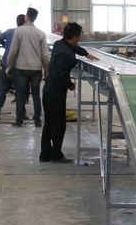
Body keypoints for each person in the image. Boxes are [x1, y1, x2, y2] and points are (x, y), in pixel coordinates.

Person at [40, 22, 98, 163]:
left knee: (49, 123)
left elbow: (74, 48)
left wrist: (86, 54)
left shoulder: (59, 44)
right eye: (78, 37)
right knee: (59, 125)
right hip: (56, 94)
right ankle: (56, 155)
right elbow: (59, 75)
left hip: (48, 90)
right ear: (74, 37)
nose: (79, 39)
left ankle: (45, 155)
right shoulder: (66, 55)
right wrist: (70, 84)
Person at [5, 7, 50, 127]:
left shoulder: (19, 31)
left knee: (20, 95)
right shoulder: (41, 33)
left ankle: (19, 120)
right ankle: (37, 121)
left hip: (21, 68)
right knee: (36, 96)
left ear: (26, 17)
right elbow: (45, 54)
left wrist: (9, 66)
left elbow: (13, 50)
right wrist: (46, 70)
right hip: (36, 70)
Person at [0, 14, 24, 121]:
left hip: (7, 64)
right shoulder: (25, 34)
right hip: (19, 66)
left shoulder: (10, 31)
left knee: (2, 88)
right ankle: (21, 114)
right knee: (20, 91)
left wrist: (5, 45)